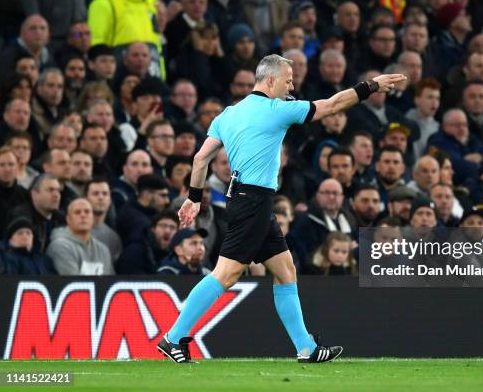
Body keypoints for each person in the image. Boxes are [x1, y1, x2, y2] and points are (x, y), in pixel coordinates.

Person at [158, 54, 406, 363]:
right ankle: (173, 337)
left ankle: (307, 348)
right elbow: (331, 105)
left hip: (246, 199)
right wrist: (370, 86)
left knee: (285, 270)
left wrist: (194, 197)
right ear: (270, 80)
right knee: (227, 273)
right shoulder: (277, 110)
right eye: (288, 80)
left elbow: (199, 159)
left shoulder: (229, 114)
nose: (291, 86)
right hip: (253, 200)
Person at [47, 198, 114, 275]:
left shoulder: (103, 249)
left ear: (93, 218)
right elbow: (72, 284)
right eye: (77, 212)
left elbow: (109, 282)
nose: (83, 215)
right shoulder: (59, 246)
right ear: (68, 219)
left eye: (87, 212)